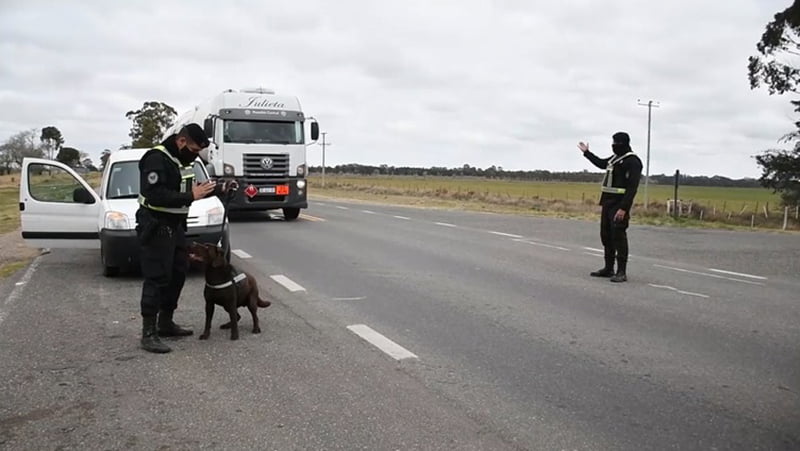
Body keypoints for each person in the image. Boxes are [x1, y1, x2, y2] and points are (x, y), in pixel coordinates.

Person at [136, 123, 237, 353]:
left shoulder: (184, 162)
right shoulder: (156, 159)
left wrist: (221, 187)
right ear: (181, 141)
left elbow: (194, 188)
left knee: (178, 273)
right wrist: (191, 195)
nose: (194, 155)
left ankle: (165, 322)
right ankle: (148, 333)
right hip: (156, 225)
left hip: (176, 227)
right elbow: (155, 194)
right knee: (156, 277)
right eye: (193, 149)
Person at [577, 131, 643, 283]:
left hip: (619, 205)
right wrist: (587, 153)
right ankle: (608, 268)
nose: (613, 145)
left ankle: (621, 271)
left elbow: (632, 188)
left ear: (624, 143)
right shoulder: (614, 159)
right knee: (606, 236)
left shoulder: (633, 161)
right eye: (613, 142)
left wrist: (624, 208)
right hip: (607, 203)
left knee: (618, 236)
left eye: (616, 143)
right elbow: (601, 163)